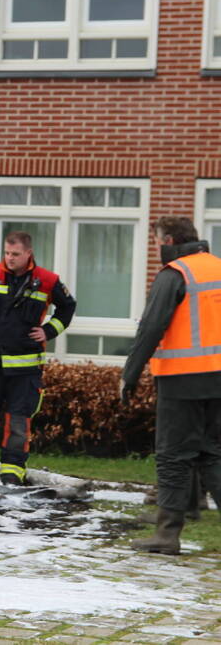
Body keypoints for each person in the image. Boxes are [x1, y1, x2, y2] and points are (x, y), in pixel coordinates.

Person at [122, 216, 221, 555]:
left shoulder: (175, 274)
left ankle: (167, 534)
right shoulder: (217, 267)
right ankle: (179, 516)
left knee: (173, 456)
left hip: (183, 379)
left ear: (167, 242)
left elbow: (151, 327)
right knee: (212, 454)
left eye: (156, 242)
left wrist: (130, 374)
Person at [0, 231, 76, 485]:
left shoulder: (47, 280)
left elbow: (68, 307)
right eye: (7, 253)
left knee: (19, 421)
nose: (9, 259)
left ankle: (12, 471)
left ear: (28, 253)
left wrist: (48, 330)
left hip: (26, 368)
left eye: (16, 254)